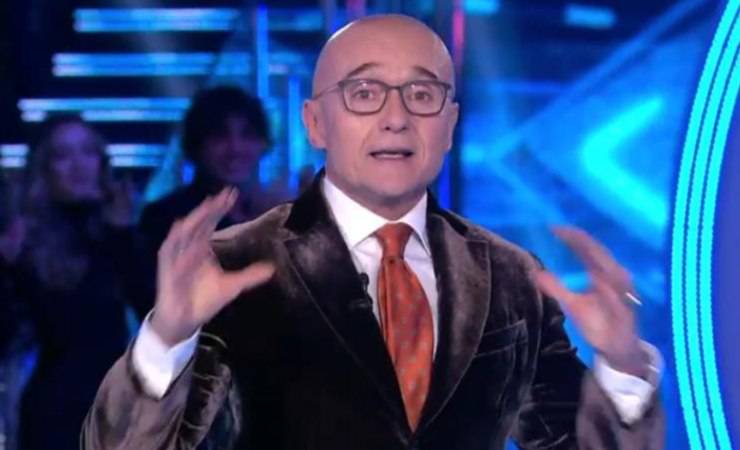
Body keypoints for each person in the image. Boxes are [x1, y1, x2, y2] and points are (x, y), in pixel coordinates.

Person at [83, 15, 664, 449]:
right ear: (315, 123)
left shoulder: (509, 275)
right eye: (364, 94)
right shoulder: (234, 266)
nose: (396, 117)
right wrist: (165, 342)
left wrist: (621, 371)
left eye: (422, 94)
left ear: (450, 125)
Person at [10, 115, 137, 450]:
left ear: (102, 163)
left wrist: (121, 236)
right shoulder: (26, 244)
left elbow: (154, 307)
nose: (79, 165)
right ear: (44, 169)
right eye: (63, 155)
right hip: (56, 413)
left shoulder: (119, 234)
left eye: (87, 152)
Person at [133, 85, 278, 319]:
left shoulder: (273, 213)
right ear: (196, 146)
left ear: (262, 144)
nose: (235, 148)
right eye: (220, 137)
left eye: (247, 135)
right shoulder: (165, 218)